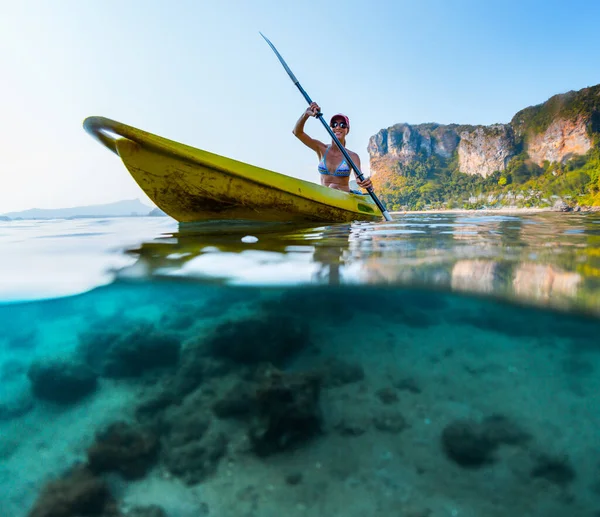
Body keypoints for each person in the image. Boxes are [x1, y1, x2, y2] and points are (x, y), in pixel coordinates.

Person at [293, 102, 373, 193]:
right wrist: (306, 114)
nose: (338, 127)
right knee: (329, 187)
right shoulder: (321, 148)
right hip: (325, 197)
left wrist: (365, 182)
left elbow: (359, 179)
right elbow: (297, 132)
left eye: (342, 125)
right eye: (334, 124)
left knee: (333, 186)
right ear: (331, 128)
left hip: (344, 199)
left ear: (347, 130)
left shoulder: (353, 156)